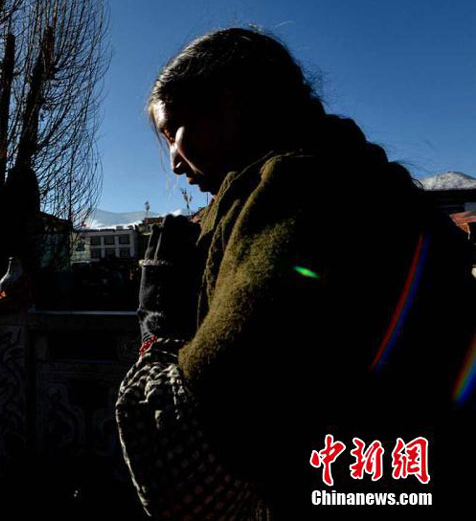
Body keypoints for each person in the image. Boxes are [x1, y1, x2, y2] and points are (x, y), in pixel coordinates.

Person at [115, 27, 474, 520]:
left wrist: (160, 327)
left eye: (175, 129)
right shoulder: (373, 184)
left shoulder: (289, 198)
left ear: (230, 105)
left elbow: (182, 464)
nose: (175, 161)